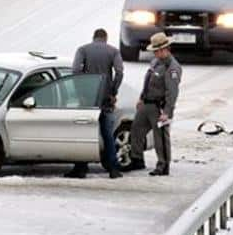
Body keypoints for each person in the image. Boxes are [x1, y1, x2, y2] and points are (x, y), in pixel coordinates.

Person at [64, 28, 124, 179]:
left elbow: (76, 70)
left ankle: (81, 167)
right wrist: (113, 92)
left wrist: (81, 92)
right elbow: (119, 72)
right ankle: (113, 169)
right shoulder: (113, 51)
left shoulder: (83, 50)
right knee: (108, 135)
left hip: (88, 100)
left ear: (93, 37)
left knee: (84, 133)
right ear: (105, 38)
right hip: (105, 100)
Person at [125, 32, 181, 176]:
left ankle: (163, 165)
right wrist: (142, 98)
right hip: (147, 104)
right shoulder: (155, 62)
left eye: (156, 51)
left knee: (160, 138)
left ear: (165, 49)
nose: (154, 53)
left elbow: (172, 92)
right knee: (136, 131)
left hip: (159, 107)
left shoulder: (172, 67)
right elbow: (148, 81)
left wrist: (167, 112)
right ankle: (137, 159)